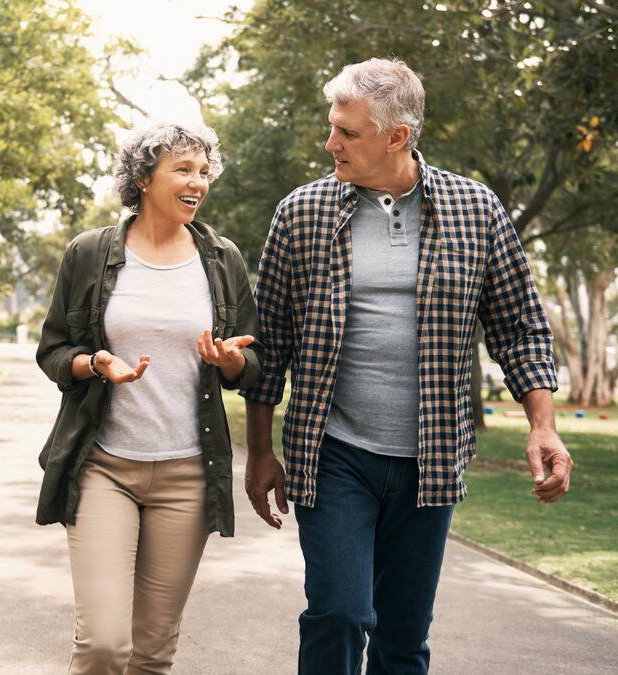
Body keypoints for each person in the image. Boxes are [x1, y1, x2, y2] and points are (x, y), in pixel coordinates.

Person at [241, 58, 575, 674]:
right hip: (333, 452)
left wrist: (543, 425)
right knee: (338, 615)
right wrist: (262, 449)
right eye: (332, 126)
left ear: (397, 136)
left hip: (430, 461)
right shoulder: (301, 213)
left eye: (347, 132)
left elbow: (521, 326)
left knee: (402, 639)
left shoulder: (477, 210)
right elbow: (273, 343)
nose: (330, 141)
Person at [35, 123, 261, 674]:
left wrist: (233, 362)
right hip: (103, 468)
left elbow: (254, 362)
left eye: (205, 171)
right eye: (182, 169)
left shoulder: (222, 259)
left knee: (153, 652)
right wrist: (95, 363)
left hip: (187, 474)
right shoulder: (90, 254)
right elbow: (54, 350)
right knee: (105, 645)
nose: (198, 182)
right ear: (142, 177)